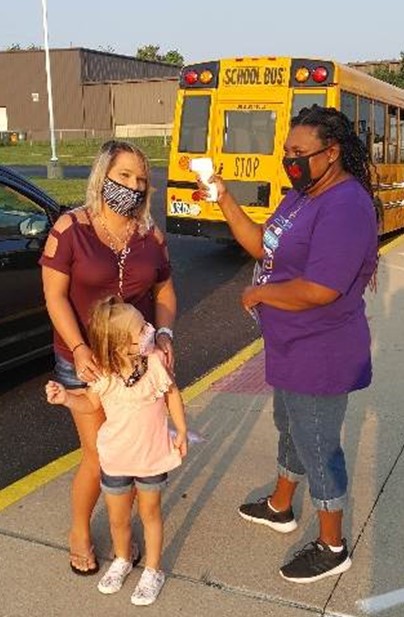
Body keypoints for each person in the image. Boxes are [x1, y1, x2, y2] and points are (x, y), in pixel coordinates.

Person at [197, 105, 378, 583]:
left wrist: (259, 293)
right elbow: (262, 245)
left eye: (300, 153)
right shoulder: (301, 195)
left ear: (331, 152)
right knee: (290, 425)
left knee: (318, 445)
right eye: (286, 152)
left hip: (322, 350)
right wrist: (223, 197)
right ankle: (281, 506)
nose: (290, 161)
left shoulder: (347, 205)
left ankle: (333, 544)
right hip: (290, 345)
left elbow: (321, 288)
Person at [40, 140, 176, 575]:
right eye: (124, 176)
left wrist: (167, 333)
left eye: (141, 180)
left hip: (137, 363)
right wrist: (79, 349)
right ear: (103, 175)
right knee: (101, 456)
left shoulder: (151, 236)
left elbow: (165, 290)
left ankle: (121, 528)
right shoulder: (70, 228)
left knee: (134, 455)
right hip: (86, 363)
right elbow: (54, 296)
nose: (133, 187)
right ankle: (79, 530)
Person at [46, 296, 187, 606]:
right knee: (118, 518)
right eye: (141, 329)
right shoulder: (105, 376)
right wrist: (66, 399)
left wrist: (181, 431)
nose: (149, 330)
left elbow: (172, 395)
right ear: (121, 345)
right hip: (116, 459)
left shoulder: (155, 364)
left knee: (150, 513)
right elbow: (89, 404)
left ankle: (153, 569)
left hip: (151, 456)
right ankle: (122, 559)